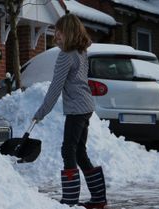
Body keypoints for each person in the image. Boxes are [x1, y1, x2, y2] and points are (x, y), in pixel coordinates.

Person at [32, 14, 107, 209]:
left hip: (77, 109)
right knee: (79, 152)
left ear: (69, 32)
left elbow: (56, 87)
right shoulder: (81, 52)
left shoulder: (66, 56)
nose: (56, 34)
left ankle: (71, 200)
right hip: (86, 107)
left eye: (60, 31)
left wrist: (41, 112)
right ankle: (99, 199)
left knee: (68, 150)